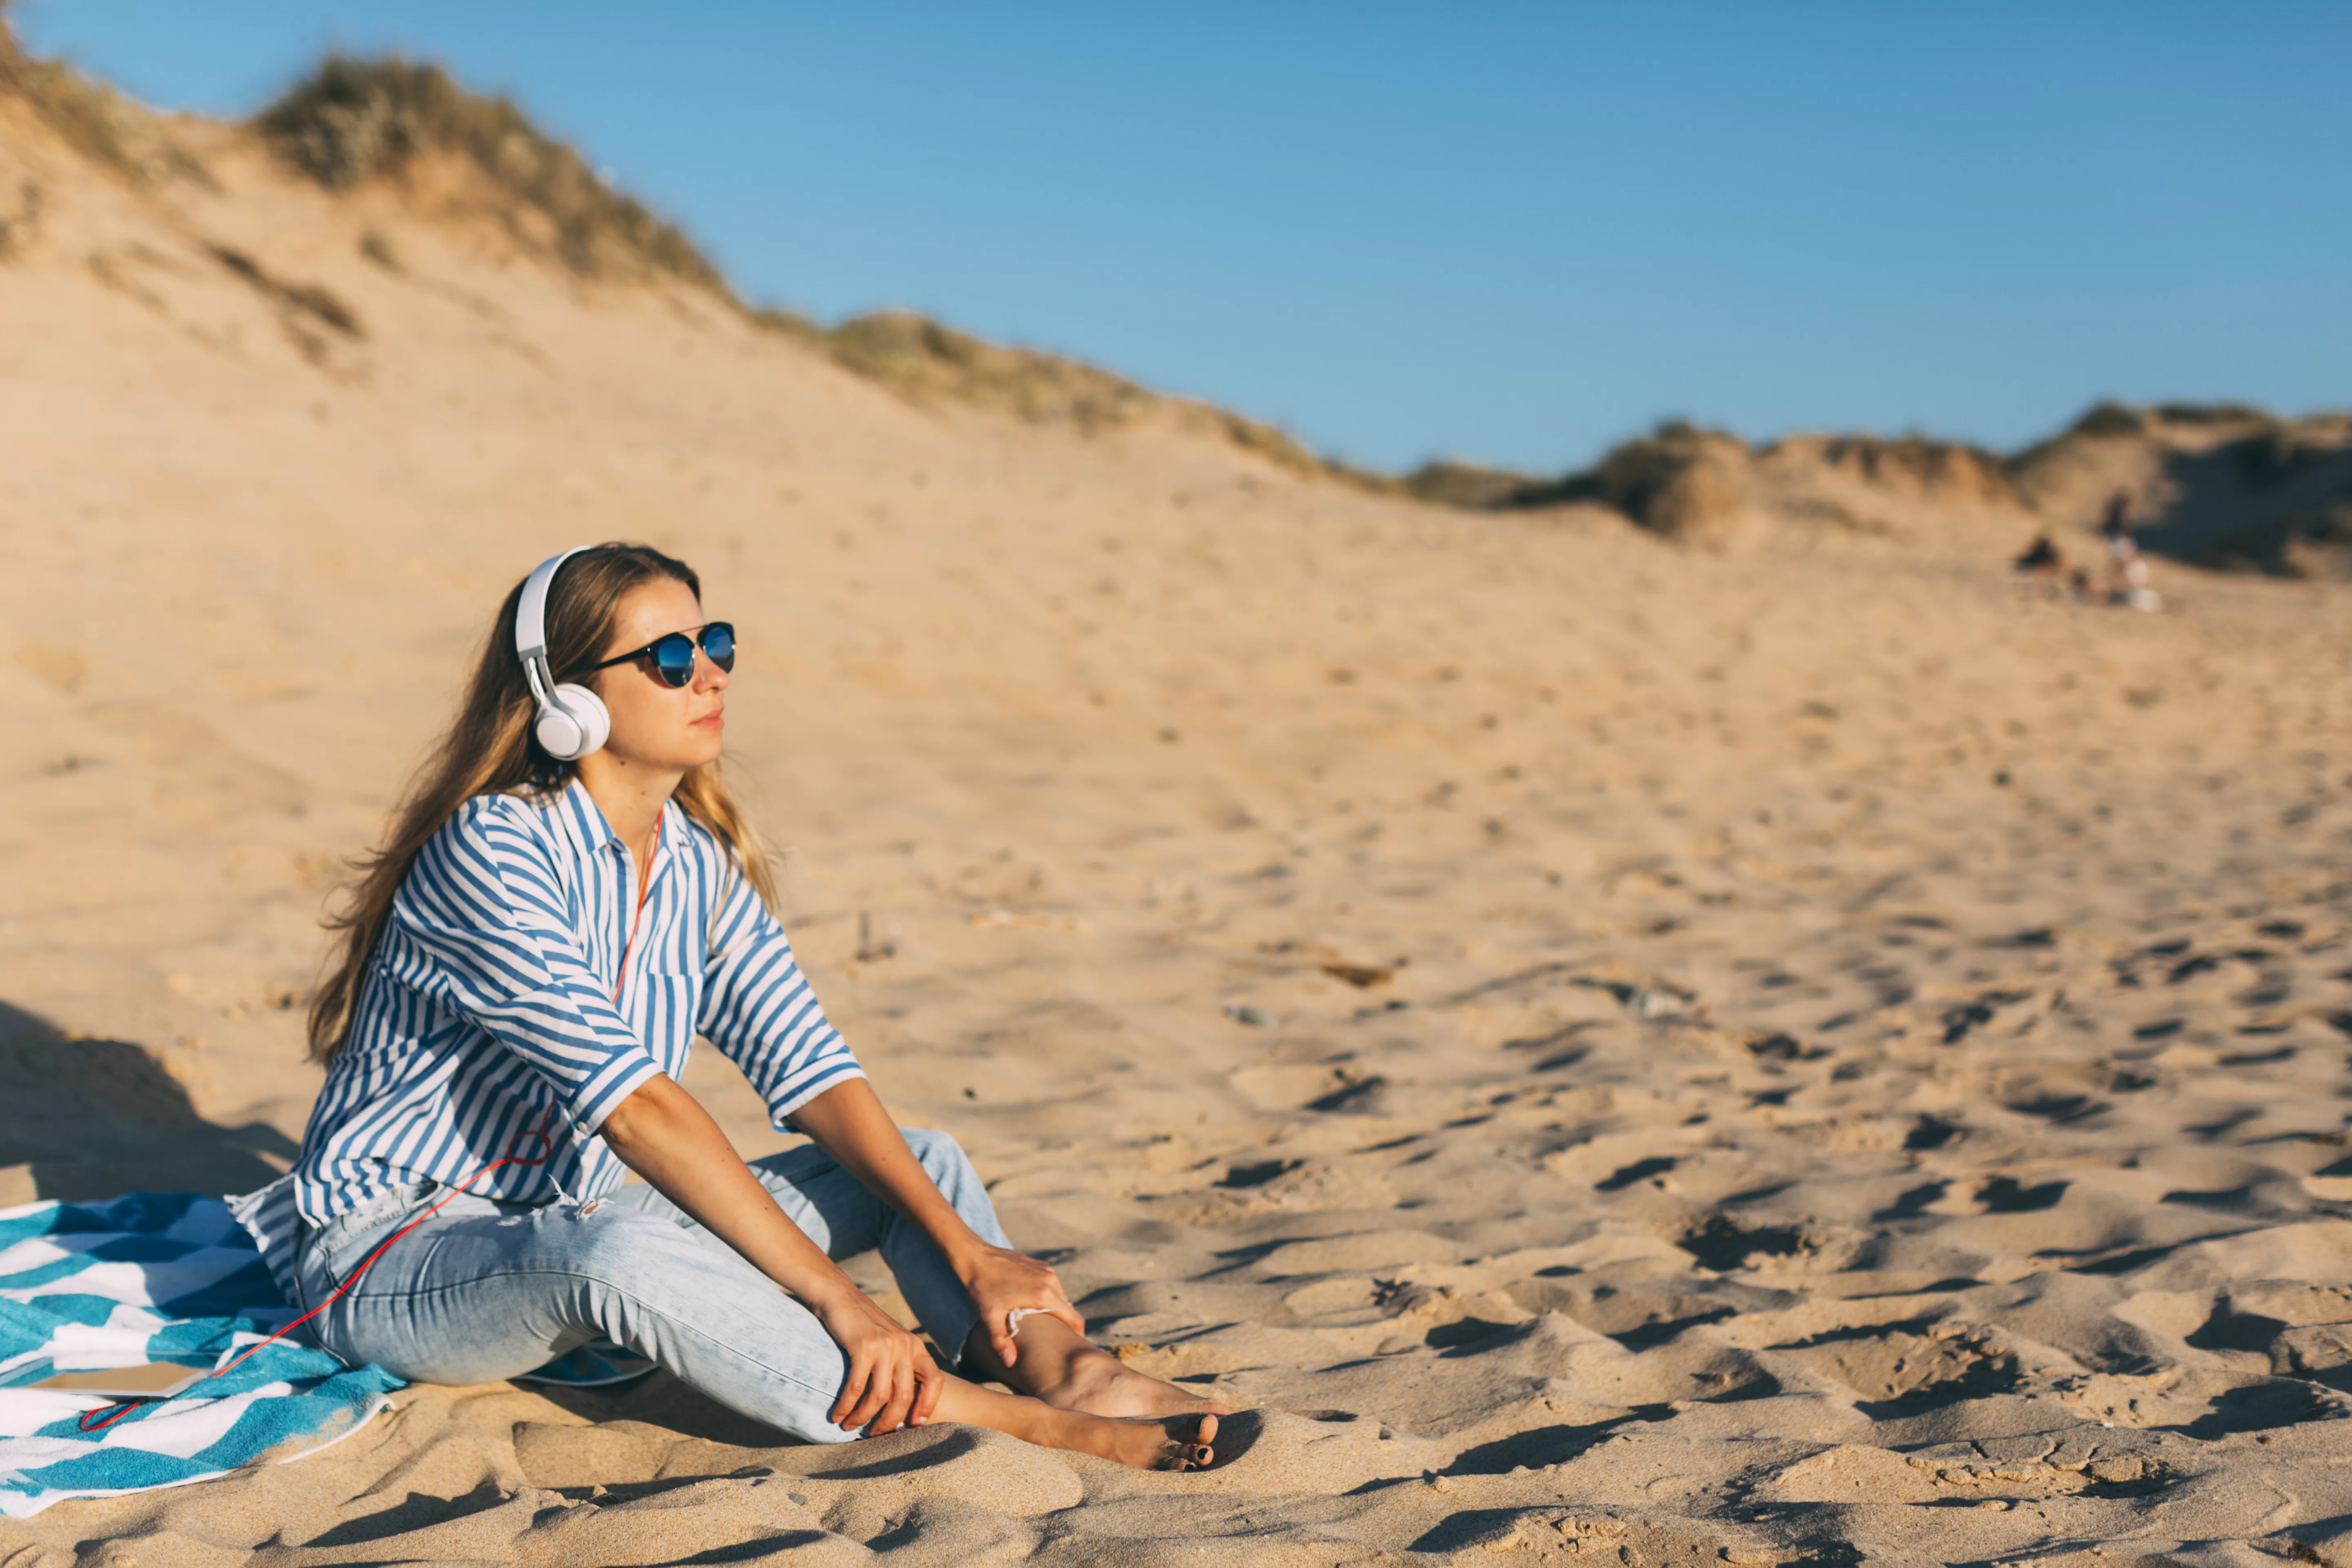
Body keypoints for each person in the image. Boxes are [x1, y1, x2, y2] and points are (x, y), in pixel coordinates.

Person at [249, 543, 1223, 1471]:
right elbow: (638, 1113)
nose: (709, 675)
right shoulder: (493, 850)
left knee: (916, 1165)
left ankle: (1072, 1376)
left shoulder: (695, 865)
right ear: (568, 697)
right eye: (670, 659)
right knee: (614, 1248)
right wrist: (839, 1300)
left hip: (572, 1211)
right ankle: (986, 1415)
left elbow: (812, 1069)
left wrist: (973, 1253)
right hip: (393, 1256)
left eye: (716, 647)